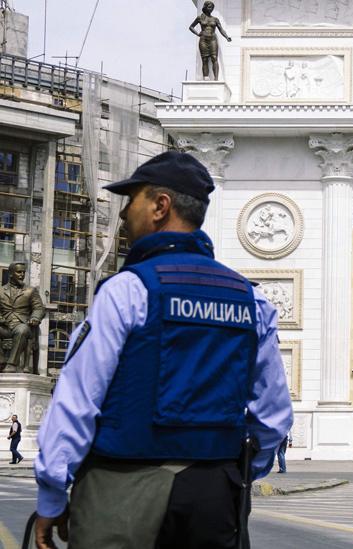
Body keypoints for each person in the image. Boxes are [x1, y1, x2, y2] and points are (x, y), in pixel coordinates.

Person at [32, 151, 293, 549]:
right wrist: (234, 475)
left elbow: (77, 399)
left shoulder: (127, 291)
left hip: (121, 492)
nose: (123, 215)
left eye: (130, 200)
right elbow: (274, 416)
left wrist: (52, 493)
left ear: (160, 206)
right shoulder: (251, 301)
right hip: (214, 496)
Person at [0, 262, 46, 373]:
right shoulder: (1, 290)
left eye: (23, 272)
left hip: (24, 325)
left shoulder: (31, 291)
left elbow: (39, 308)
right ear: (11, 274)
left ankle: (11, 364)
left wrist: (35, 318)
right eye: (19, 272)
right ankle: (1, 361)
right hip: (5, 327)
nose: (22, 275)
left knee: (21, 330)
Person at [188, 1, 232, 80]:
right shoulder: (200, 18)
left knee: (214, 58)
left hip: (212, 39)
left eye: (212, 8)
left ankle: (216, 79)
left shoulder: (215, 19)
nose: (210, 9)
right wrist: (197, 34)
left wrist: (226, 37)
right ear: (205, 7)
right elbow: (191, 27)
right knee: (204, 59)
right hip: (203, 40)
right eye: (209, 7)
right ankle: (206, 77)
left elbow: (221, 29)